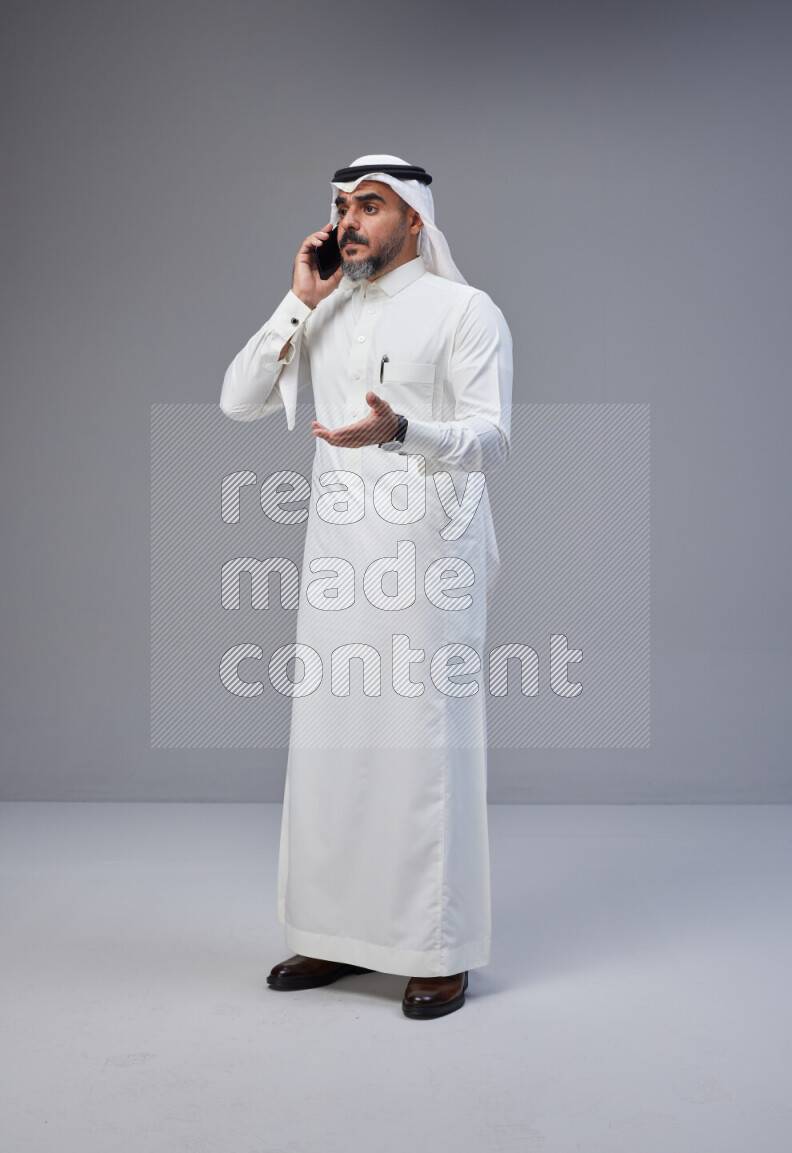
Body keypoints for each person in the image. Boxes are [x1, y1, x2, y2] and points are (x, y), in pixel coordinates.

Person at [220, 154, 513, 1018]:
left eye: (371, 206)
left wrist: (403, 430)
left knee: (424, 751)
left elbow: (493, 438)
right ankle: (332, 933)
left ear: (415, 220)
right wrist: (298, 302)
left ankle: (437, 949)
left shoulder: (464, 309)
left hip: (429, 560)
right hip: (338, 558)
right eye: (344, 205)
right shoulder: (327, 307)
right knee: (332, 744)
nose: (350, 221)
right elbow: (238, 399)